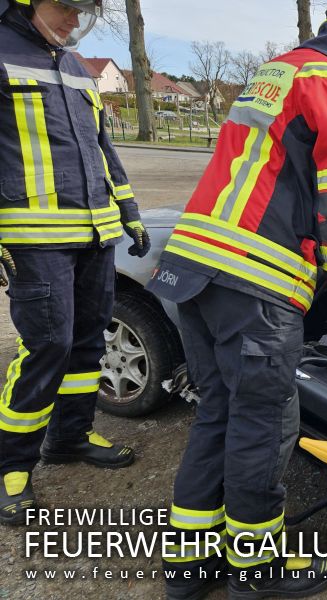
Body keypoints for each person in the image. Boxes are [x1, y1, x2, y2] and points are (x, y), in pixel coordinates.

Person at [145, 9, 327, 599]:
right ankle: (258, 576)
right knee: (265, 426)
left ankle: (188, 573)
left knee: (219, 413)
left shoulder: (277, 73)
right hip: (254, 281)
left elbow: (271, 166)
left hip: (192, 264)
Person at [0, 0, 147, 526]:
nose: (72, 22)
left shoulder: (74, 64)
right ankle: (10, 466)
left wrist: (129, 213)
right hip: (33, 239)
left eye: (81, 13)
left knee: (89, 340)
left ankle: (69, 436)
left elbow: (103, 147)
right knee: (49, 347)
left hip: (96, 233)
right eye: (64, 8)